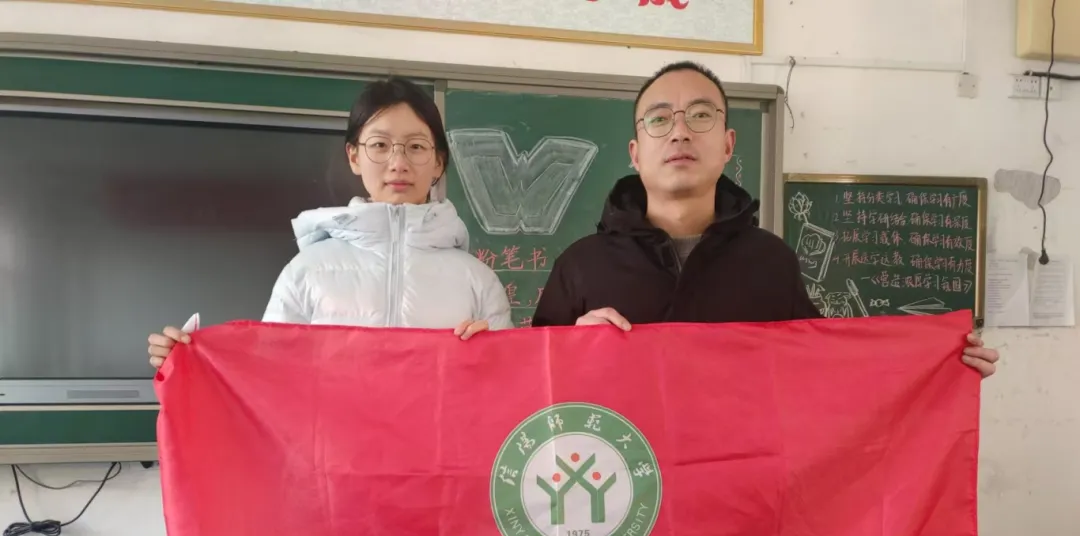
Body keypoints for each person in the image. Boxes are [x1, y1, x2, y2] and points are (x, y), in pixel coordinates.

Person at [531, 61, 999, 378]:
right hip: (624, 485)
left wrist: (940, 362)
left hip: (740, 485)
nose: (680, 131)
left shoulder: (770, 261)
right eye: (659, 119)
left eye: (700, 115)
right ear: (636, 153)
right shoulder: (581, 266)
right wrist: (572, 349)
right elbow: (531, 382)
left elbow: (829, 368)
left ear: (728, 145)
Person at [148, 77, 512, 369]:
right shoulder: (307, 271)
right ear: (354, 156)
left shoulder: (477, 280)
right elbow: (264, 374)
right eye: (380, 145)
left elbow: (510, 391)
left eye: (416, 146)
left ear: (438, 162)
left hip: (437, 444)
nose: (398, 163)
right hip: (332, 446)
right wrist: (187, 363)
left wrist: (492, 357)